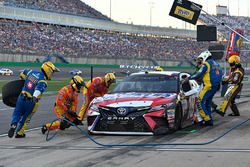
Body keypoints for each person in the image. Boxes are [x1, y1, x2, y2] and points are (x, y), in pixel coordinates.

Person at [8, 61, 59, 138]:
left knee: (17, 113)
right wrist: (34, 97)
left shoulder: (31, 72)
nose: (52, 74)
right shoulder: (43, 81)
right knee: (26, 118)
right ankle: (19, 133)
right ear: (48, 70)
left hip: (21, 97)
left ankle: (14, 124)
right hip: (31, 101)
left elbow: (23, 73)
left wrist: (23, 80)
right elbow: (38, 90)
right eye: (52, 72)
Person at [187, 50, 222, 126]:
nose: (200, 61)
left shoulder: (206, 64)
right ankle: (209, 119)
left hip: (208, 86)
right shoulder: (217, 64)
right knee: (208, 102)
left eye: (201, 59)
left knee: (199, 101)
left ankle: (207, 119)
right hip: (215, 86)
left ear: (204, 57)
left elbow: (198, 74)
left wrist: (189, 78)